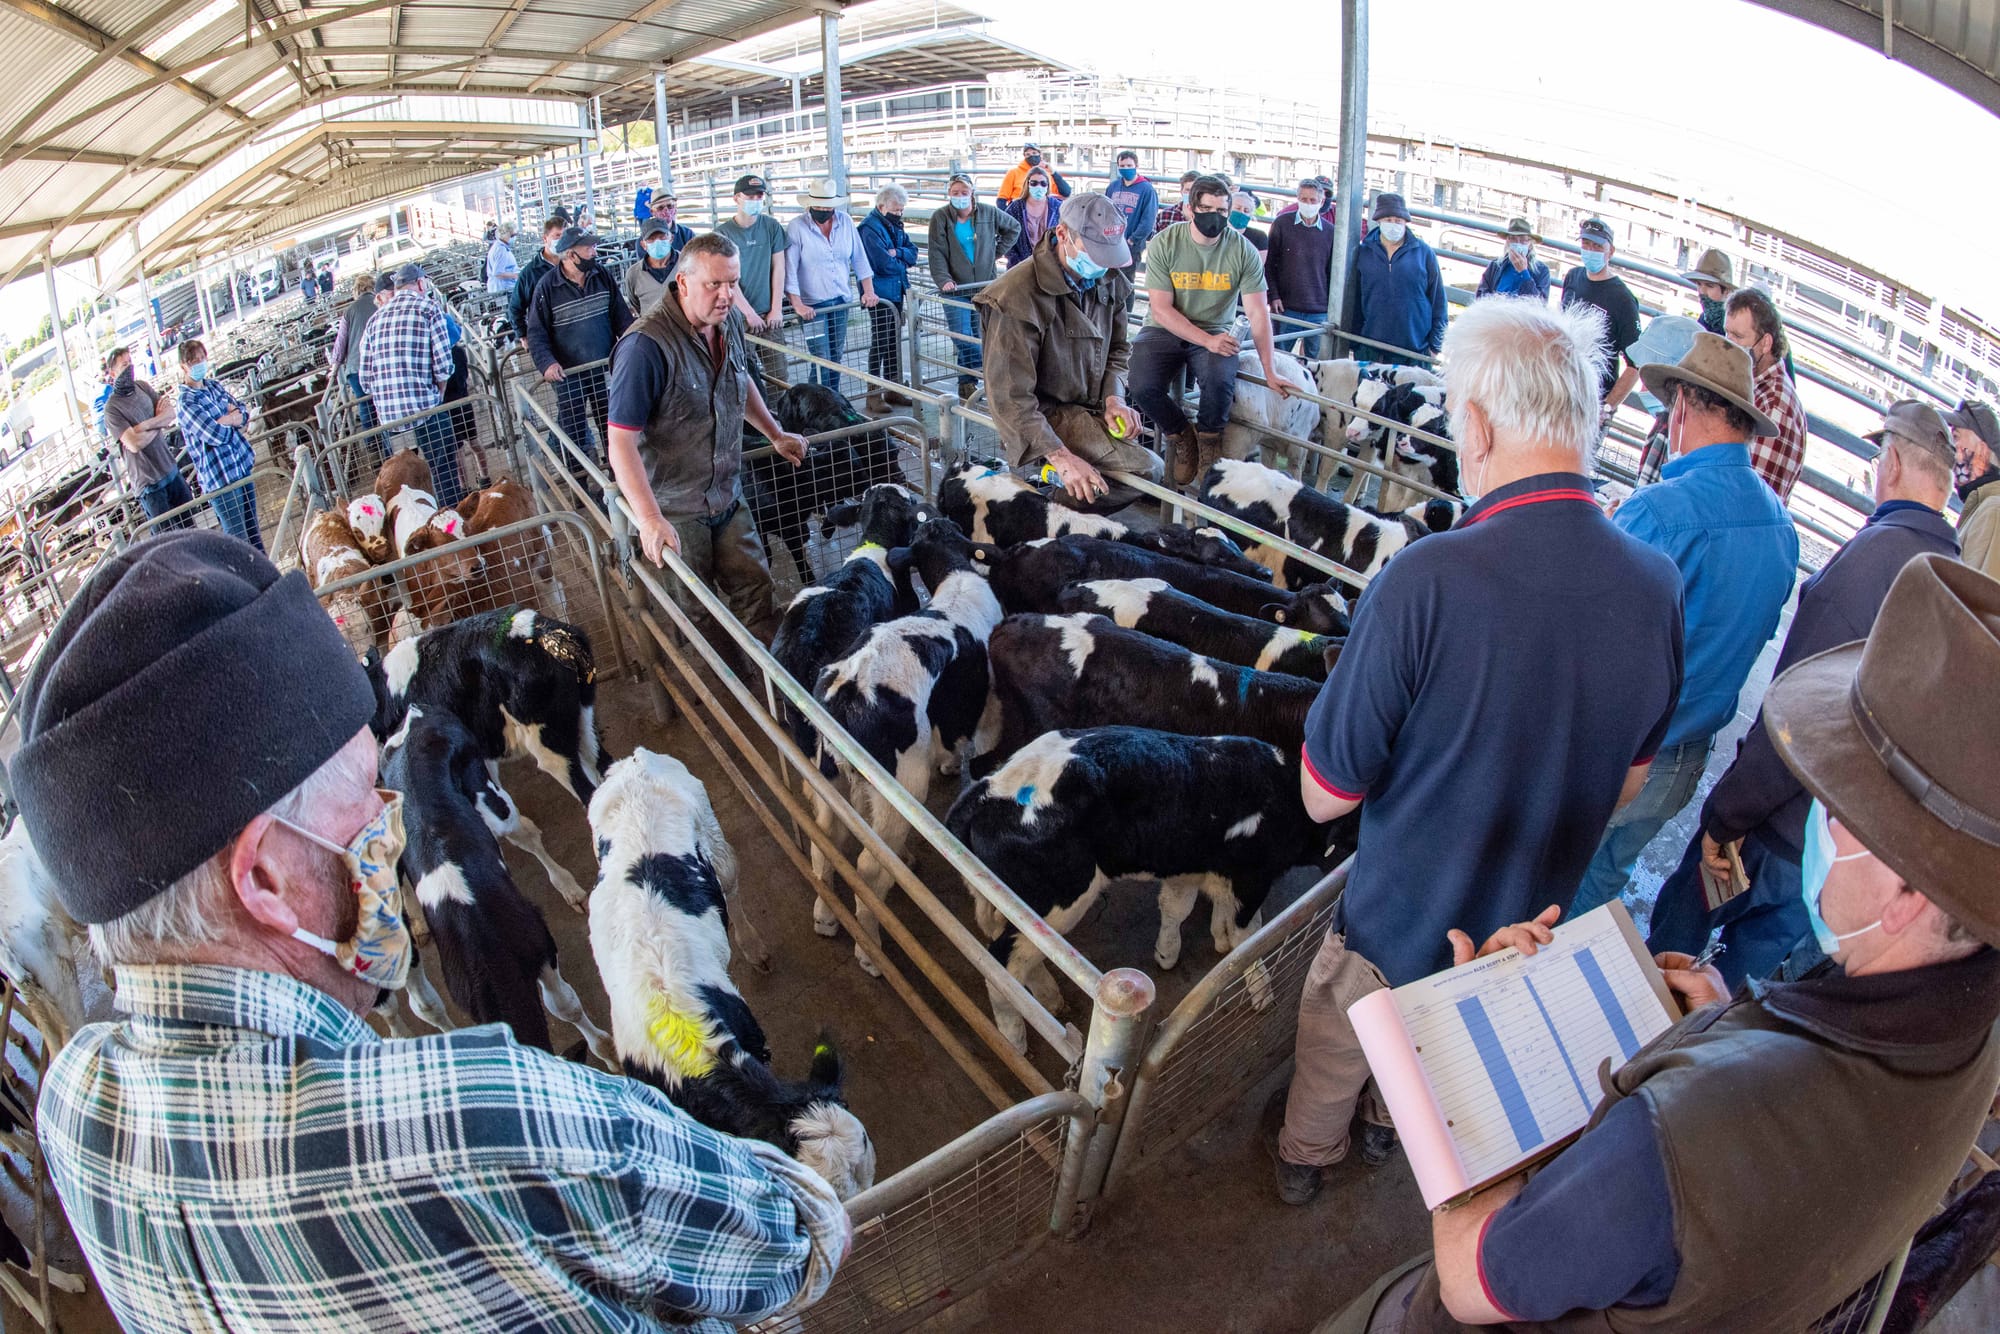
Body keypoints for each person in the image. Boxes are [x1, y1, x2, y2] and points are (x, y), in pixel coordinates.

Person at [20, 530, 849, 1334]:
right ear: (267, 878)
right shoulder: (495, 1121)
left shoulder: (74, 1105)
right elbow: (799, 1240)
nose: (391, 818)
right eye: (362, 794)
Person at [1324, 552, 2000, 1334]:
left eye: (1841, 806)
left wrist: (1457, 1084)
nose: (1818, 815)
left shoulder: (1694, 1133)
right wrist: (1721, 1029)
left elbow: (1473, 1277)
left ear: (1908, 893)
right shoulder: (1968, 1040)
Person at [1268, 298, 1684, 1206]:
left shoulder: (1428, 578)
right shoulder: (1656, 589)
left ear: (1481, 425)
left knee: (1343, 1044)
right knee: (1441, 1051)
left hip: (1395, 922)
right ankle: (1389, 1133)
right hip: (1520, 935)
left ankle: (1307, 1159)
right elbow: (1634, 782)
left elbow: (1324, 796)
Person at [1646, 399, 1960, 987]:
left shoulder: (1871, 561)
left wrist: (1726, 818)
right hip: (1837, 858)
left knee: (1670, 949)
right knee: (1737, 989)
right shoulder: (1951, 577)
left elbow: (1799, 719)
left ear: (1890, 462)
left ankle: (1626, 1033)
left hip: (1764, 836)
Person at [1570, 332, 1797, 919]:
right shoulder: (1782, 529)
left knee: (1544, 876)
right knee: (1601, 883)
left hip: (1617, 753)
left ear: (1681, 410)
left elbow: (1585, 629)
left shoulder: (1659, 510)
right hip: (1687, 758)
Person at [607, 233, 810, 643]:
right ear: (683, 283)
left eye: (732, 283)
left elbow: (740, 379)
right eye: (714, 284)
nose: (726, 295)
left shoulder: (728, 321)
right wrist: (649, 519)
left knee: (756, 589)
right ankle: (719, 696)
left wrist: (774, 432)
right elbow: (621, 442)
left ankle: (769, 692)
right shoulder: (645, 346)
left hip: (726, 493)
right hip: (676, 508)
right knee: (695, 614)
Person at [977, 191, 1162, 508]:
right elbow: (1011, 395)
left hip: (1089, 402)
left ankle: (1050, 507)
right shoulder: (1015, 297)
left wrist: (1114, 398)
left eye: (1109, 255)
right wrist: (1061, 457)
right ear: (1063, 234)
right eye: (1095, 253)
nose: (1103, 265)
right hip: (1045, 410)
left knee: (1147, 467)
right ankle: (1048, 513)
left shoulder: (1110, 279)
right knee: (1147, 469)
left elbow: (1118, 349)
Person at [1127, 173, 1288, 487]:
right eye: (1207, 210)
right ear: (1190, 209)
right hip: (1165, 327)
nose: (1215, 217)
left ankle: (1209, 443)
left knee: (1219, 382)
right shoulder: (1165, 242)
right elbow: (1161, 307)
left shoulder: (1242, 250)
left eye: (1222, 210)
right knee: (1140, 383)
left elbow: (1258, 311)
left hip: (1215, 327)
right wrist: (1207, 341)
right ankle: (1180, 433)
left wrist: (1269, 369)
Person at [524, 227, 632, 475]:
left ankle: (619, 479)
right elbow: (536, 332)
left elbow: (620, 315)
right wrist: (547, 364)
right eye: (588, 248)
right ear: (571, 255)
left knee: (612, 422)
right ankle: (580, 481)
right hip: (568, 373)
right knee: (573, 428)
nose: (594, 252)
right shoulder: (547, 287)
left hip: (604, 366)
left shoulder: (601, 275)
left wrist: (629, 345)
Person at [358, 263, 459, 505]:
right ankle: (451, 519)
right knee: (442, 467)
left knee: (404, 482)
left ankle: (416, 527)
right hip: (426, 408)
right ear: (422, 284)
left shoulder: (375, 320)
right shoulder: (429, 308)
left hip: (391, 420)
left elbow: (365, 380)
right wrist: (438, 393)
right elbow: (444, 366)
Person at [927, 173, 1020, 403]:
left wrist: (994, 253)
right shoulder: (940, 218)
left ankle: (966, 383)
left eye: (964, 192)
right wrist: (943, 279)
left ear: (972, 193)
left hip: (982, 286)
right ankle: (991, 374)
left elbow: (1013, 228)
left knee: (979, 334)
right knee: (962, 336)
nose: (959, 197)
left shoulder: (987, 213)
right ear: (949, 194)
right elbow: (936, 251)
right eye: (955, 193)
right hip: (956, 288)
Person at [785, 180, 877, 392]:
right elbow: (790, 268)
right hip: (812, 305)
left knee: (834, 357)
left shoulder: (844, 222)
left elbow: (859, 258)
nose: (824, 210)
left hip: (840, 300)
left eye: (828, 206)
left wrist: (868, 290)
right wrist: (797, 304)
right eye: (820, 207)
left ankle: (830, 402)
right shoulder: (797, 227)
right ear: (810, 205)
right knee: (821, 359)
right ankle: (813, 405)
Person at [174, 340, 264, 552]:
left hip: (240, 466)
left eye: (201, 358)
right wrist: (231, 418)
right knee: (238, 540)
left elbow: (243, 413)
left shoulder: (213, 386)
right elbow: (214, 434)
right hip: (220, 478)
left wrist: (230, 418)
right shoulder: (185, 402)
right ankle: (247, 584)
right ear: (183, 366)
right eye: (193, 361)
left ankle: (268, 578)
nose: (199, 363)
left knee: (253, 531)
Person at [1339, 193, 1447, 366]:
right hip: (1371, 348)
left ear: (1406, 222)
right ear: (1379, 220)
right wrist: (1355, 342)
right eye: (1388, 219)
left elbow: (1438, 302)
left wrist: (1435, 346)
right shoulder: (1364, 252)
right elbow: (1355, 300)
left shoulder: (1424, 253)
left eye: (1398, 220)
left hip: (1414, 350)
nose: (1394, 225)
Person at [1722, 287, 1808, 501]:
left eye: (1738, 337)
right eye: (1727, 333)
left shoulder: (1774, 406)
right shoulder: (1754, 386)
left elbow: (1751, 499)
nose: (1728, 344)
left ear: (1766, 343)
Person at [714, 174, 790, 392]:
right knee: (744, 374)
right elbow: (728, 280)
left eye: (759, 195)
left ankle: (777, 421)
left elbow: (779, 267)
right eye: (750, 195)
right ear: (737, 198)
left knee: (780, 374)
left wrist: (776, 308)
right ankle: (752, 423)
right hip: (739, 318)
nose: (756, 199)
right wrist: (747, 313)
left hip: (769, 314)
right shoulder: (723, 234)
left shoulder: (771, 227)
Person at [101, 347, 190, 528]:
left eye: (130, 362)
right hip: (148, 482)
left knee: (189, 526)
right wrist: (158, 423)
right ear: (112, 373)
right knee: (165, 539)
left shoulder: (142, 386)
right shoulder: (112, 409)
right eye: (124, 365)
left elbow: (170, 413)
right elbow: (134, 443)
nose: (130, 367)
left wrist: (145, 426)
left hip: (169, 468)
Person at [1562, 217, 1644, 410]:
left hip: (1595, 398)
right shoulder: (1573, 277)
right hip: (1565, 387)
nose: (1590, 251)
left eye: (1598, 246)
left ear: (1611, 251)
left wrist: (1606, 408)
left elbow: (1635, 364)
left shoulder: (1623, 300)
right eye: (1586, 244)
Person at [856, 184, 919, 411]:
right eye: (895, 209)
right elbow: (883, 264)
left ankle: (893, 388)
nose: (899, 213)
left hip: (895, 291)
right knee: (881, 342)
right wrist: (901, 258)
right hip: (880, 294)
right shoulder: (869, 229)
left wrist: (899, 253)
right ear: (881, 207)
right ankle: (874, 393)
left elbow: (912, 252)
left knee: (892, 342)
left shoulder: (892, 225)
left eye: (901, 210)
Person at [1265, 178, 1335, 357]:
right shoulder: (1282, 224)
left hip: (1319, 309)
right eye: (1303, 199)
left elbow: (1332, 271)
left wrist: (1330, 306)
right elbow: (1270, 263)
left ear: (1322, 201)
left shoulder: (1331, 231)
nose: (1308, 204)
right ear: (1297, 199)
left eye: (1313, 200)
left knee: (1314, 363)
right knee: (1280, 357)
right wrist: (1273, 295)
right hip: (1287, 307)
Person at [1947, 397, 2000, 579]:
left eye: (1956, 437)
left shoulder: (1993, 511)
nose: (1952, 449)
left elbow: (1984, 597)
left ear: (1983, 450)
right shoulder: (1985, 506)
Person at [327, 272, 380, 438]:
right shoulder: (381, 303)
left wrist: (335, 367)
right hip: (380, 362)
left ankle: (372, 444)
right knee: (385, 402)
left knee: (365, 406)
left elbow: (341, 342)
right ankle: (391, 440)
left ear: (356, 290)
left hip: (356, 367)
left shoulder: (349, 311)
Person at [507, 215, 565, 344]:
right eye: (557, 236)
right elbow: (515, 307)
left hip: (570, 331)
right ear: (545, 238)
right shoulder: (530, 272)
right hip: (546, 335)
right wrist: (523, 335)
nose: (561, 240)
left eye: (564, 236)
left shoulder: (571, 264)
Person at [1475, 217, 1551, 301]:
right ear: (1507, 241)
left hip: (1522, 313)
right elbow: (1480, 295)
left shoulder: (1542, 270)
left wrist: (1524, 272)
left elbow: (1540, 304)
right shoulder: (1495, 266)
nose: (1518, 244)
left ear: (1530, 243)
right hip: (1495, 311)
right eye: (1513, 239)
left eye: (1522, 240)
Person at [1000, 165, 1061, 267]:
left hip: (1051, 264)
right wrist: (1015, 259)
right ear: (1027, 184)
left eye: (1043, 183)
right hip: (1021, 265)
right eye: (1034, 183)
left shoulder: (1057, 207)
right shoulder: (1016, 207)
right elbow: (1005, 233)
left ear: (1048, 185)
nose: (1039, 187)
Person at [625, 217, 682, 316]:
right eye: (651, 239)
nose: (657, 242)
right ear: (643, 245)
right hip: (652, 329)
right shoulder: (634, 274)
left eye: (662, 237)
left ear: (671, 238)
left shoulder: (686, 264)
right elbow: (635, 303)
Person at [1682, 246, 1737, 334]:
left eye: (1709, 286)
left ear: (1726, 291)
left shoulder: (1734, 325)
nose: (1702, 292)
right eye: (1699, 284)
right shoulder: (1704, 318)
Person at [996, 143, 1070, 204]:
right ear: (1024, 156)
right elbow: (1001, 200)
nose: (1031, 156)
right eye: (1028, 154)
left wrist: (1053, 172)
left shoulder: (1048, 173)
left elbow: (1066, 192)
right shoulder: (1013, 173)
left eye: (1034, 153)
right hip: (1020, 211)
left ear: (1040, 154)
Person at [646, 192, 694, 258]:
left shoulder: (687, 234)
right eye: (660, 208)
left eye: (670, 206)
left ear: (675, 209)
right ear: (652, 212)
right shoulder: (646, 239)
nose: (666, 211)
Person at [1229, 190, 1268, 254]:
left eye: (1246, 211)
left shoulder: (1260, 236)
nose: (1241, 212)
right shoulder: (1217, 232)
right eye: (1237, 208)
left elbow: (1260, 262)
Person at [486, 223, 519, 295]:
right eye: (512, 235)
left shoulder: (499, 246)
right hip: (503, 289)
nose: (514, 238)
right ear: (505, 235)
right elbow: (498, 273)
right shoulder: (501, 250)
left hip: (501, 288)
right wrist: (516, 275)